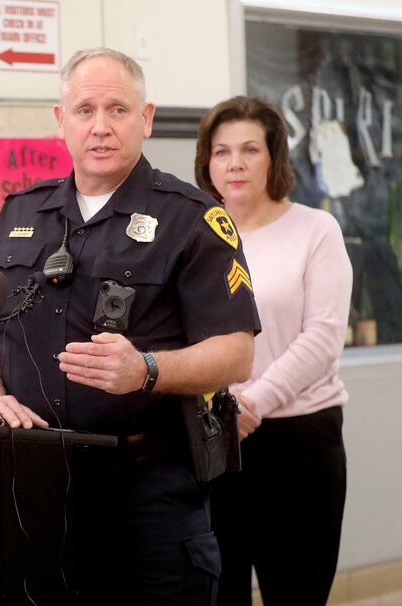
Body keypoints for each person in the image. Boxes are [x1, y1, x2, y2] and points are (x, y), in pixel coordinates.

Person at [0, 48, 261, 604]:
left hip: (149, 491)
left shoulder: (194, 218)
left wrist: (146, 370)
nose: (100, 127)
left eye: (118, 110)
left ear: (146, 118)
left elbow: (235, 353)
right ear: (61, 122)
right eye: (84, 110)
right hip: (33, 487)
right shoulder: (18, 214)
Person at [195, 96, 352, 606]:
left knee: (297, 592)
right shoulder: (195, 236)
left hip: (299, 441)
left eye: (249, 149)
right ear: (207, 162)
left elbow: (323, 337)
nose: (234, 163)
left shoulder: (314, 229)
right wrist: (222, 407)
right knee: (220, 592)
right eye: (221, 152)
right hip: (215, 440)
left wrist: (252, 402)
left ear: (274, 158)